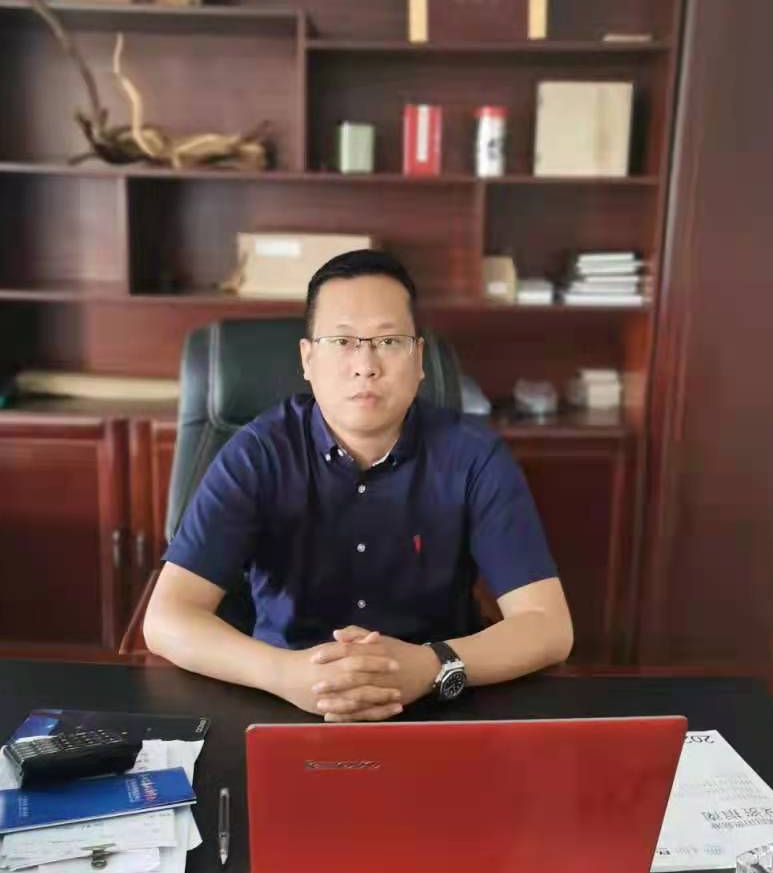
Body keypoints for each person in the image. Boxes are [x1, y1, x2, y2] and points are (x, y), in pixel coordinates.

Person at [144, 249, 573, 720]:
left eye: (389, 341)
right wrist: (284, 673)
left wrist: (432, 665)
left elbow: (549, 626)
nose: (365, 365)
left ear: (419, 358)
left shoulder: (473, 456)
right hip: (282, 700)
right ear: (308, 358)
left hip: (436, 702)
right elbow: (166, 617)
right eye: (342, 341)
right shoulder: (257, 453)